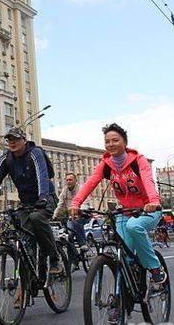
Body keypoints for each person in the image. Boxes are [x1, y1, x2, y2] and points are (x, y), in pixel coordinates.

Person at [69, 123, 166, 286]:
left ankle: (155, 267)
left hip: (147, 210)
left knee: (134, 227)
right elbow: (90, 183)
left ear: (125, 143)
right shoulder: (106, 165)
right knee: (125, 256)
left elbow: (148, 181)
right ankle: (121, 303)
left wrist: (153, 201)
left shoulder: (138, 161)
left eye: (115, 140)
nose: (110, 144)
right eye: (107, 142)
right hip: (125, 212)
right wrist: (76, 203)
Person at [0, 127, 63, 278]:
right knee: (23, 240)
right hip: (26, 204)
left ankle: (54, 257)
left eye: (16, 139)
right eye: (9, 140)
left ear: (24, 140)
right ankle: (25, 289)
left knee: (36, 218)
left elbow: (42, 176)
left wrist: (43, 197)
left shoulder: (35, 153)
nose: (12, 142)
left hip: (46, 198)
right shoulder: (6, 158)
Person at [56, 172, 89, 253]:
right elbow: (60, 204)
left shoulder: (81, 189)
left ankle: (83, 243)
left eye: (70, 180)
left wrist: (80, 210)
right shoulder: (64, 190)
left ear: (75, 180)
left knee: (76, 221)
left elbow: (85, 202)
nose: (68, 182)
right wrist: (55, 215)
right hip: (71, 216)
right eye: (67, 180)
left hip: (83, 214)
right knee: (69, 233)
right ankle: (73, 258)